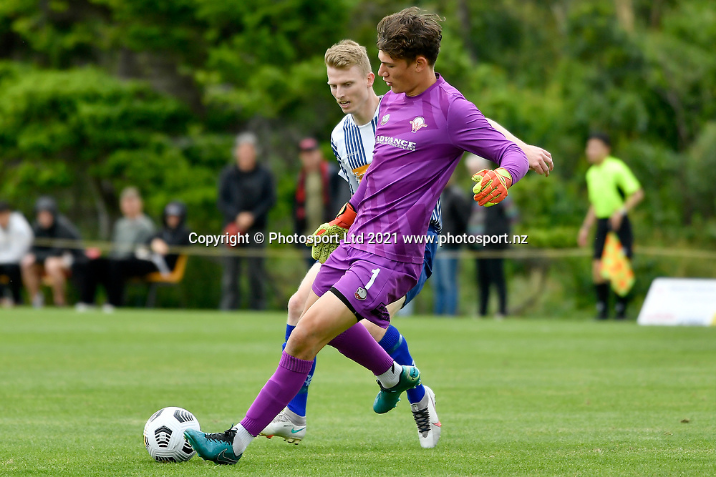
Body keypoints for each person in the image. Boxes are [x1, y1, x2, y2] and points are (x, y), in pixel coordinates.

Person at [185, 8, 538, 466]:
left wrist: (506, 176)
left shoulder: (449, 108)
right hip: (356, 240)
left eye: (389, 65)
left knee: (308, 333)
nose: (382, 73)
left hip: (395, 253)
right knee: (305, 314)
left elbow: (510, 150)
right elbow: (375, 180)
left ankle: (234, 443)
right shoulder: (390, 102)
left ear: (420, 63)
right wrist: (343, 217)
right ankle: (393, 378)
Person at [578, 133, 643, 319]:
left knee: (620, 266)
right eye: (588, 147)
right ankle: (602, 311)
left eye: (594, 147)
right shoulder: (591, 173)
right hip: (601, 223)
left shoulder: (616, 167)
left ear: (606, 149)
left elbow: (637, 193)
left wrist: (621, 212)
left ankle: (621, 311)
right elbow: (594, 203)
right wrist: (585, 227)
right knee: (597, 267)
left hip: (619, 222)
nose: (590, 152)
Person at [218, 132, 276, 311]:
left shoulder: (265, 174)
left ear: (255, 152)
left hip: (256, 229)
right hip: (233, 229)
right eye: (242, 150)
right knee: (230, 272)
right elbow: (221, 201)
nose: (245, 154)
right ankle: (228, 308)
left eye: (248, 150)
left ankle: (258, 309)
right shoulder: (228, 174)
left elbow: (270, 200)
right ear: (236, 153)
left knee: (255, 272)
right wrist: (238, 217)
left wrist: (252, 216)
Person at [76, 187, 155, 311]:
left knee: (117, 265)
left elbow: (143, 250)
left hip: (137, 261)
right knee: (94, 263)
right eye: (126, 202)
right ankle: (87, 301)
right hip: (118, 260)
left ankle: (114, 302)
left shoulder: (146, 225)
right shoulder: (120, 224)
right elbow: (115, 247)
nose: (129, 205)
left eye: (132, 201)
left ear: (139, 203)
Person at [466, 155, 520, 318]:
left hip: (495, 241)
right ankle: (482, 311)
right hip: (477, 242)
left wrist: (501, 233)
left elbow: (513, 215)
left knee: (497, 276)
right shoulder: (472, 192)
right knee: (482, 277)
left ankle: (502, 310)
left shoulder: (499, 188)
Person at [21, 197, 85, 308]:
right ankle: (36, 300)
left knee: (52, 264)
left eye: (46, 214)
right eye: (41, 215)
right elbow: (33, 248)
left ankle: (59, 301)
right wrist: (32, 257)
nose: (43, 218)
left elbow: (57, 252)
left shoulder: (62, 227)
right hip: (46, 259)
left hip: (73, 259)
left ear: (53, 214)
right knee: (27, 264)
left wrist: (36, 257)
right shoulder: (37, 228)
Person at [293, 137, 346, 269]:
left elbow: (340, 203)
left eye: (312, 152)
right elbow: (297, 208)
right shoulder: (301, 178)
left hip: (329, 238)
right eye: (305, 154)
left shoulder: (332, 174)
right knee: (311, 279)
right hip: (309, 238)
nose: (309, 157)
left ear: (319, 153)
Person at [431, 175, 471, 316]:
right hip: (435, 245)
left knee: (449, 282)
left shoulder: (456, 195)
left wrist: (455, 239)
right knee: (437, 283)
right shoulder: (436, 194)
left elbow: (465, 221)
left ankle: (451, 314)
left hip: (450, 245)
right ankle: (439, 314)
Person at [0, 201, 33, 306]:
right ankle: (3, 297)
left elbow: (19, 252)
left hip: (19, 261)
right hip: (4, 260)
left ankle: (17, 299)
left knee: (11, 268)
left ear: (7, 213)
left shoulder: (20, 227)